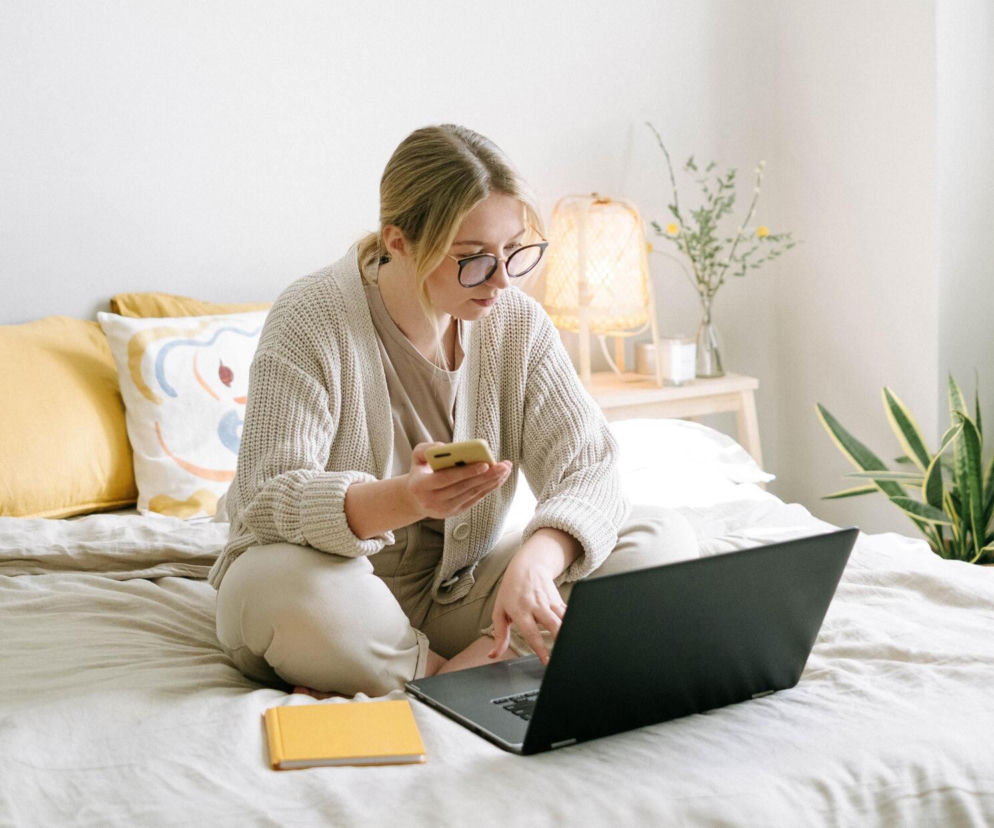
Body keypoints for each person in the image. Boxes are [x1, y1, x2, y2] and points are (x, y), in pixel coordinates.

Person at [211, 124, 698, 698]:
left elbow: (589, 468)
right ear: (399, 241)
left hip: (457, 598)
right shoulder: (310, 318)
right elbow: (267, 497)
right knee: (273, 587)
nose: (500, 281)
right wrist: (406, 499)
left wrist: (538, 560)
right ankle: (476, 672)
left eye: (514, 251)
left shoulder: (515, 323)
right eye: (472, 259)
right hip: (336, 595)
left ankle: (449, 677)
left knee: (659, 537)